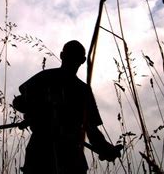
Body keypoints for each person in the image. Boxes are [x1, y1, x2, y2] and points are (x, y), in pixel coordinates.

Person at [13, 40, 122, 173]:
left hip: (56, 154)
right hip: (50, 152)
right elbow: (19, 102)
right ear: (83, 60)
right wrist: (38, 111)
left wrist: (105, 148)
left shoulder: (77, 88)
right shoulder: (81, 89)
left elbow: (91, 128)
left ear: (61, 55)